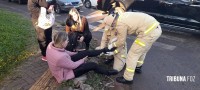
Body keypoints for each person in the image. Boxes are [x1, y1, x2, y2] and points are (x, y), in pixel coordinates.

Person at [102, 7, 162, 84]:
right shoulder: (122, 16)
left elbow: (121, 41)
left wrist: (112, 45)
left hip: (148, 32)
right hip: (155, 28)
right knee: (142, 50)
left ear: (112, 22)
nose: (113, 27)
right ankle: (138, 67)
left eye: (112, 25)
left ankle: (128, 78)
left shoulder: (120, 24)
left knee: (132, 55)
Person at [46, 32, 118, 83]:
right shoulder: (60, 57)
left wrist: (77, 53)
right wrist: (82, 60)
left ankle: (104, 50)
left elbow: (65, 52)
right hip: (65, 73)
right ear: (62, 43)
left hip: (65, 63)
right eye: (67, 40)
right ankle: (108, 72)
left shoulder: (52, 45)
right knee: (93, 65)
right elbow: (73, 66)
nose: (68, 41)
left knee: (85, 52)